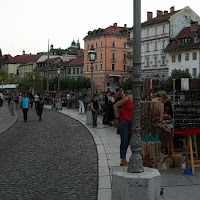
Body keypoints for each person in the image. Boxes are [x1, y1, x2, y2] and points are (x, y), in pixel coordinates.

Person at [113, 94, 133, 167]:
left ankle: (123, 159)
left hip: (132, 123)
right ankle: (123, 159)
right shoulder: (127, 99)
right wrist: (117, 118)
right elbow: (115, 105)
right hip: (124, 122)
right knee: (124, 141)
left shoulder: (138, 99)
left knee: (128, 141)